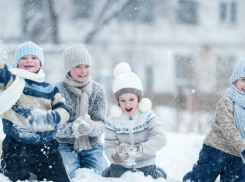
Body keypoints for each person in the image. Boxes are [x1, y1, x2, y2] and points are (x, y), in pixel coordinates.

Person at [0, 41, 70, 182]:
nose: (29, 61)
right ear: (17, 63)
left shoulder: (50, 89)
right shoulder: (11, 82)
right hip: (16, 145)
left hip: (46, 146)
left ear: (41, 63)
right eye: (24, 58)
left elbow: (64, 111)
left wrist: (50, 117)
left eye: (34, 58)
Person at [102, 62, 167, 179]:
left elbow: (161, 138)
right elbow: (109, 145)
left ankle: (159, 172)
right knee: (112, 175)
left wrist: (139, 149)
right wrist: (115, 156)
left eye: (131, 99)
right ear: (118, 101)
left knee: (150, 177)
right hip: (122, 165)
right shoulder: (113, 120)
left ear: (139, 99)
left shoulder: (147, 116)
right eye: (122, 100)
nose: (127, 104)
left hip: (145, 163)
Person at [183, 60, 245, 182]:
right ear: (235, 80)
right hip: (216, 151)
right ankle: (192, 178)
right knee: (202, 178)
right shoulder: (226, 102)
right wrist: (243, 148)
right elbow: (228, 129)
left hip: (237, 156)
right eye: (243, 79)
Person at [55, 44, 108, 179]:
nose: (83, 71)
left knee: (102, 175)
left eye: (87, 66)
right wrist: (73, 128)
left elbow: (102, 124)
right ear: (68, 68)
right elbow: (53, 126)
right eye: (77, 66)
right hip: (64, 144)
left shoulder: (98, 90)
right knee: (67, 175)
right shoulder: (57, 90)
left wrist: (92, 127)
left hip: (92, 144)